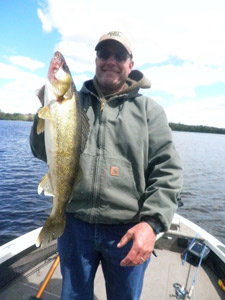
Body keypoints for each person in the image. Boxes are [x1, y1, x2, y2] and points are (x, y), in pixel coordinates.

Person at [30, 31, 183, 300]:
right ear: (96, 59)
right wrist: (44, 110)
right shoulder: (74, 102)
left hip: (127, 231)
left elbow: (167, 170)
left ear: (130, 64)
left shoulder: (150, 112)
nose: (110, 60)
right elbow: (41, 151)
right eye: (104, 54)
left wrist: (152, 223)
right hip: (75, 226)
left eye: (119, 55)